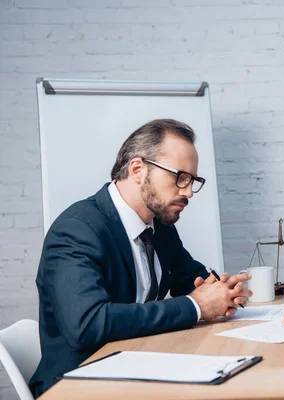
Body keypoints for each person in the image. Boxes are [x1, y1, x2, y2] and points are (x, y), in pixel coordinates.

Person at [30, 119, 252, 397]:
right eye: (180, 177)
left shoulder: (160, 226)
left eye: (193, 181)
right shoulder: (77, 228)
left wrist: (224, 290)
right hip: (78, 384)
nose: (187, 192)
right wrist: (196, 307)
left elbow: (190, 279)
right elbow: (87, 324)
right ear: (137, 169)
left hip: (137, 366)